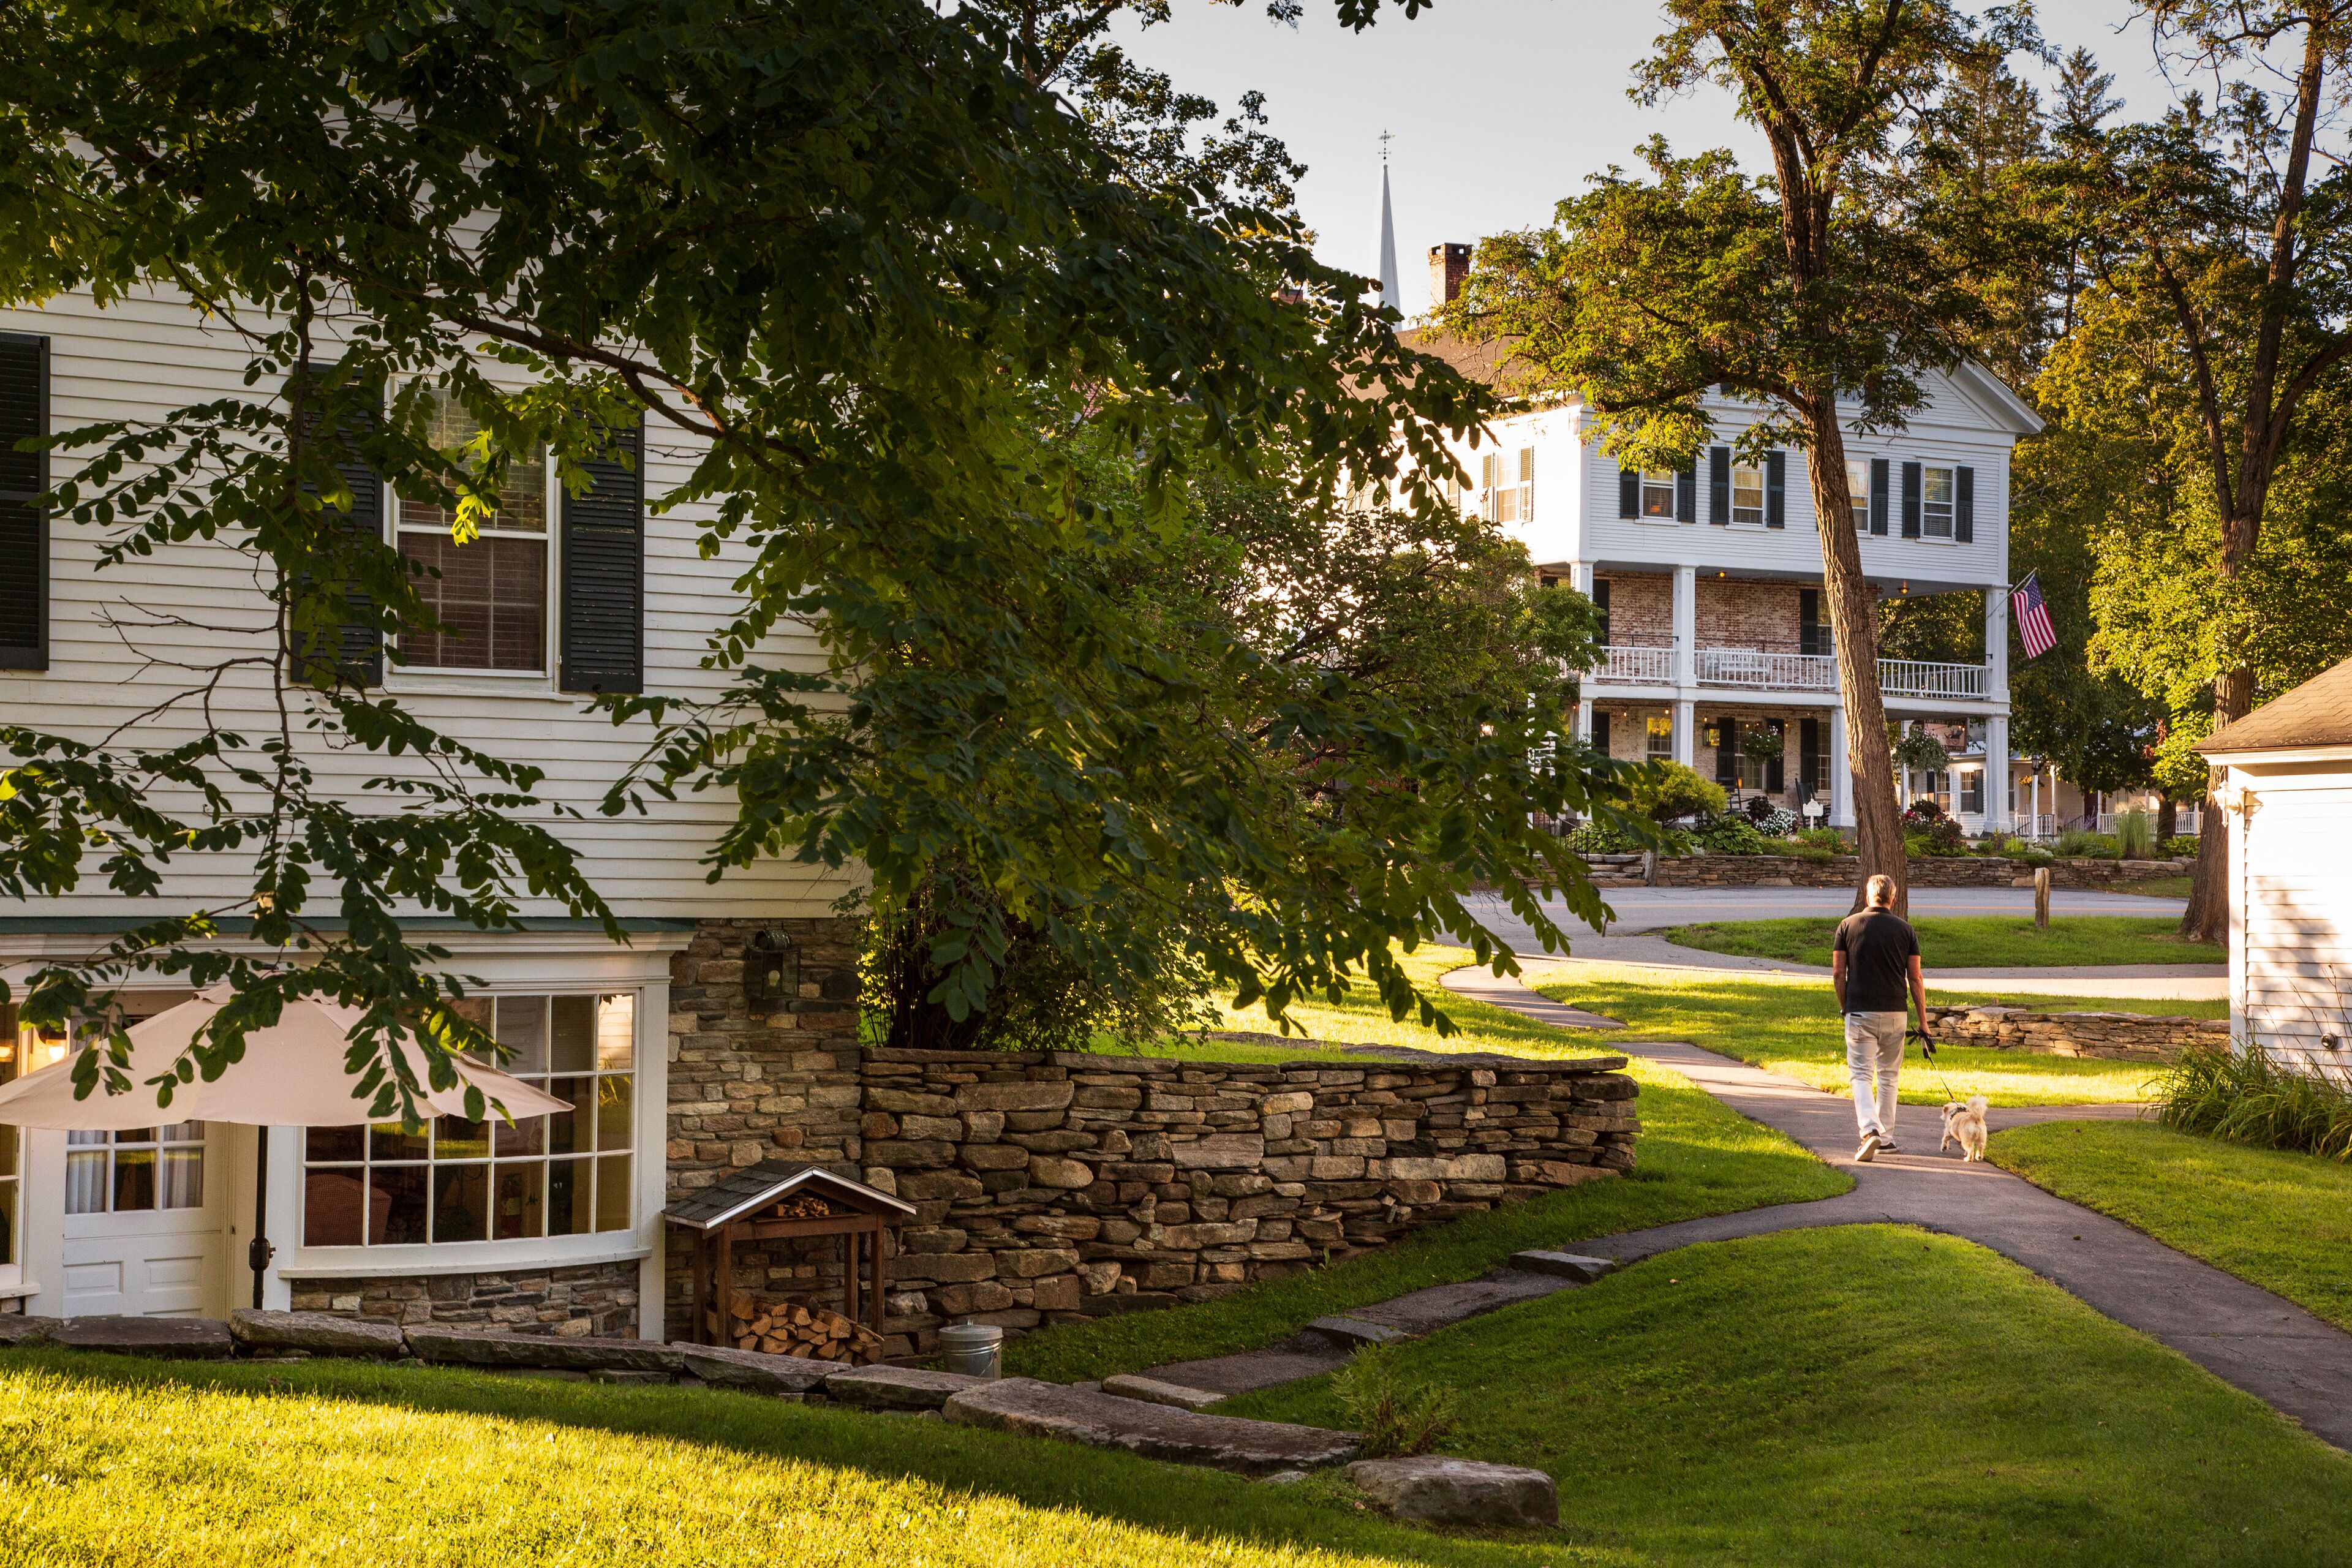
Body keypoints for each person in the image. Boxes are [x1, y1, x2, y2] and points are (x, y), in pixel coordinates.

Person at [1831, 873, 1926, 1162]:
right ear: (1893, 899)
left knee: (1861, 1073)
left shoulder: (1848, 926)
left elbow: (1838, 973)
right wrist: (1923, 1022)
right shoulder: (1906, 930)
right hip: (1896, 1013)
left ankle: (1869, 1130)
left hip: (1860, 1011)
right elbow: (1916, 977)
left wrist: (1844, 1004)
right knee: (1889, 1076)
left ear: (1867, 894)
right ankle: (1885, 1139)